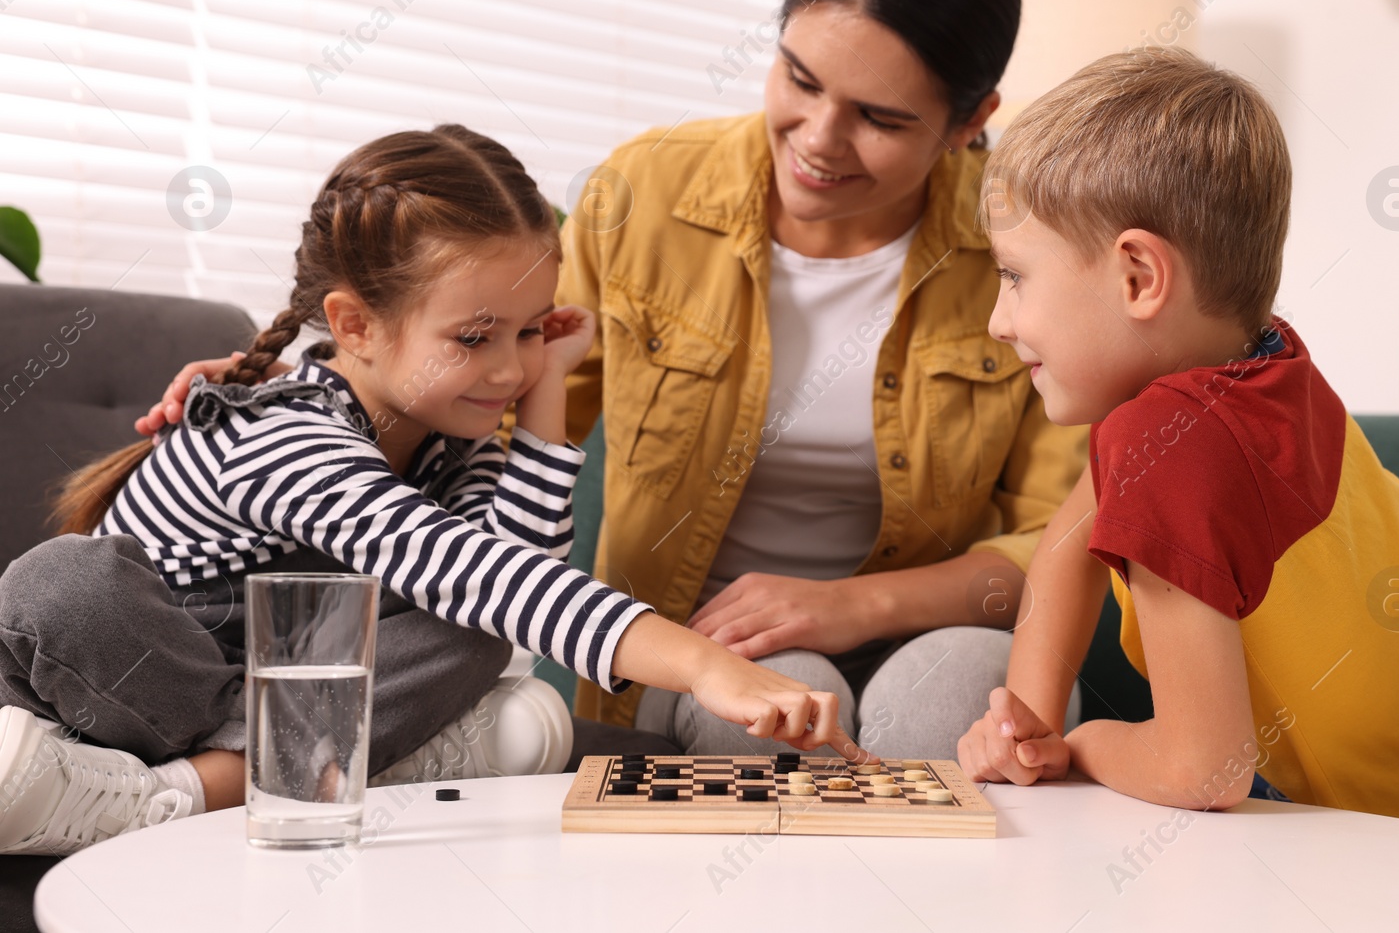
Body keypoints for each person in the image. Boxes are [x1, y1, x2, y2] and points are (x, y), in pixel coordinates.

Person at [136, 0, 1089, 762]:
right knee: (773, 709)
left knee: (963, 694)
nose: (818, 139)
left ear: (971, 121)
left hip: (933, 621)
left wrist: (855, 604)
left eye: (879, 117)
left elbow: (1065, 531)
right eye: (799, 78)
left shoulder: (1026, 241)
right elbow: (492, 405)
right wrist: (327, 382)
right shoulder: (646, 192)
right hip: (698, 630)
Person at [0, 125, 855, 857]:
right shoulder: (288, 435)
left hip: (276, 697)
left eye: (529, 330)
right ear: (355, 325)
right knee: (64, 584)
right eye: (476, 336)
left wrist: (550, 386)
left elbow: (506, 580)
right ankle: (299, 770)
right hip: (123, 683)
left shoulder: (447, 430)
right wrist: (707, 667)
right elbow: (489, 577)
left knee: (471, 635)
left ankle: (186, 788)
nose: (510, 365)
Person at [957, 47, 1399, 845]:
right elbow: (1065, 551)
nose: (998, 319)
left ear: (1137, 276)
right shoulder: (1258, 360)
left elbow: (1206, 769)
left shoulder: (1165, 440)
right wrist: (1022, 724)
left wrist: (1081, 744)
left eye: (1015, 276)